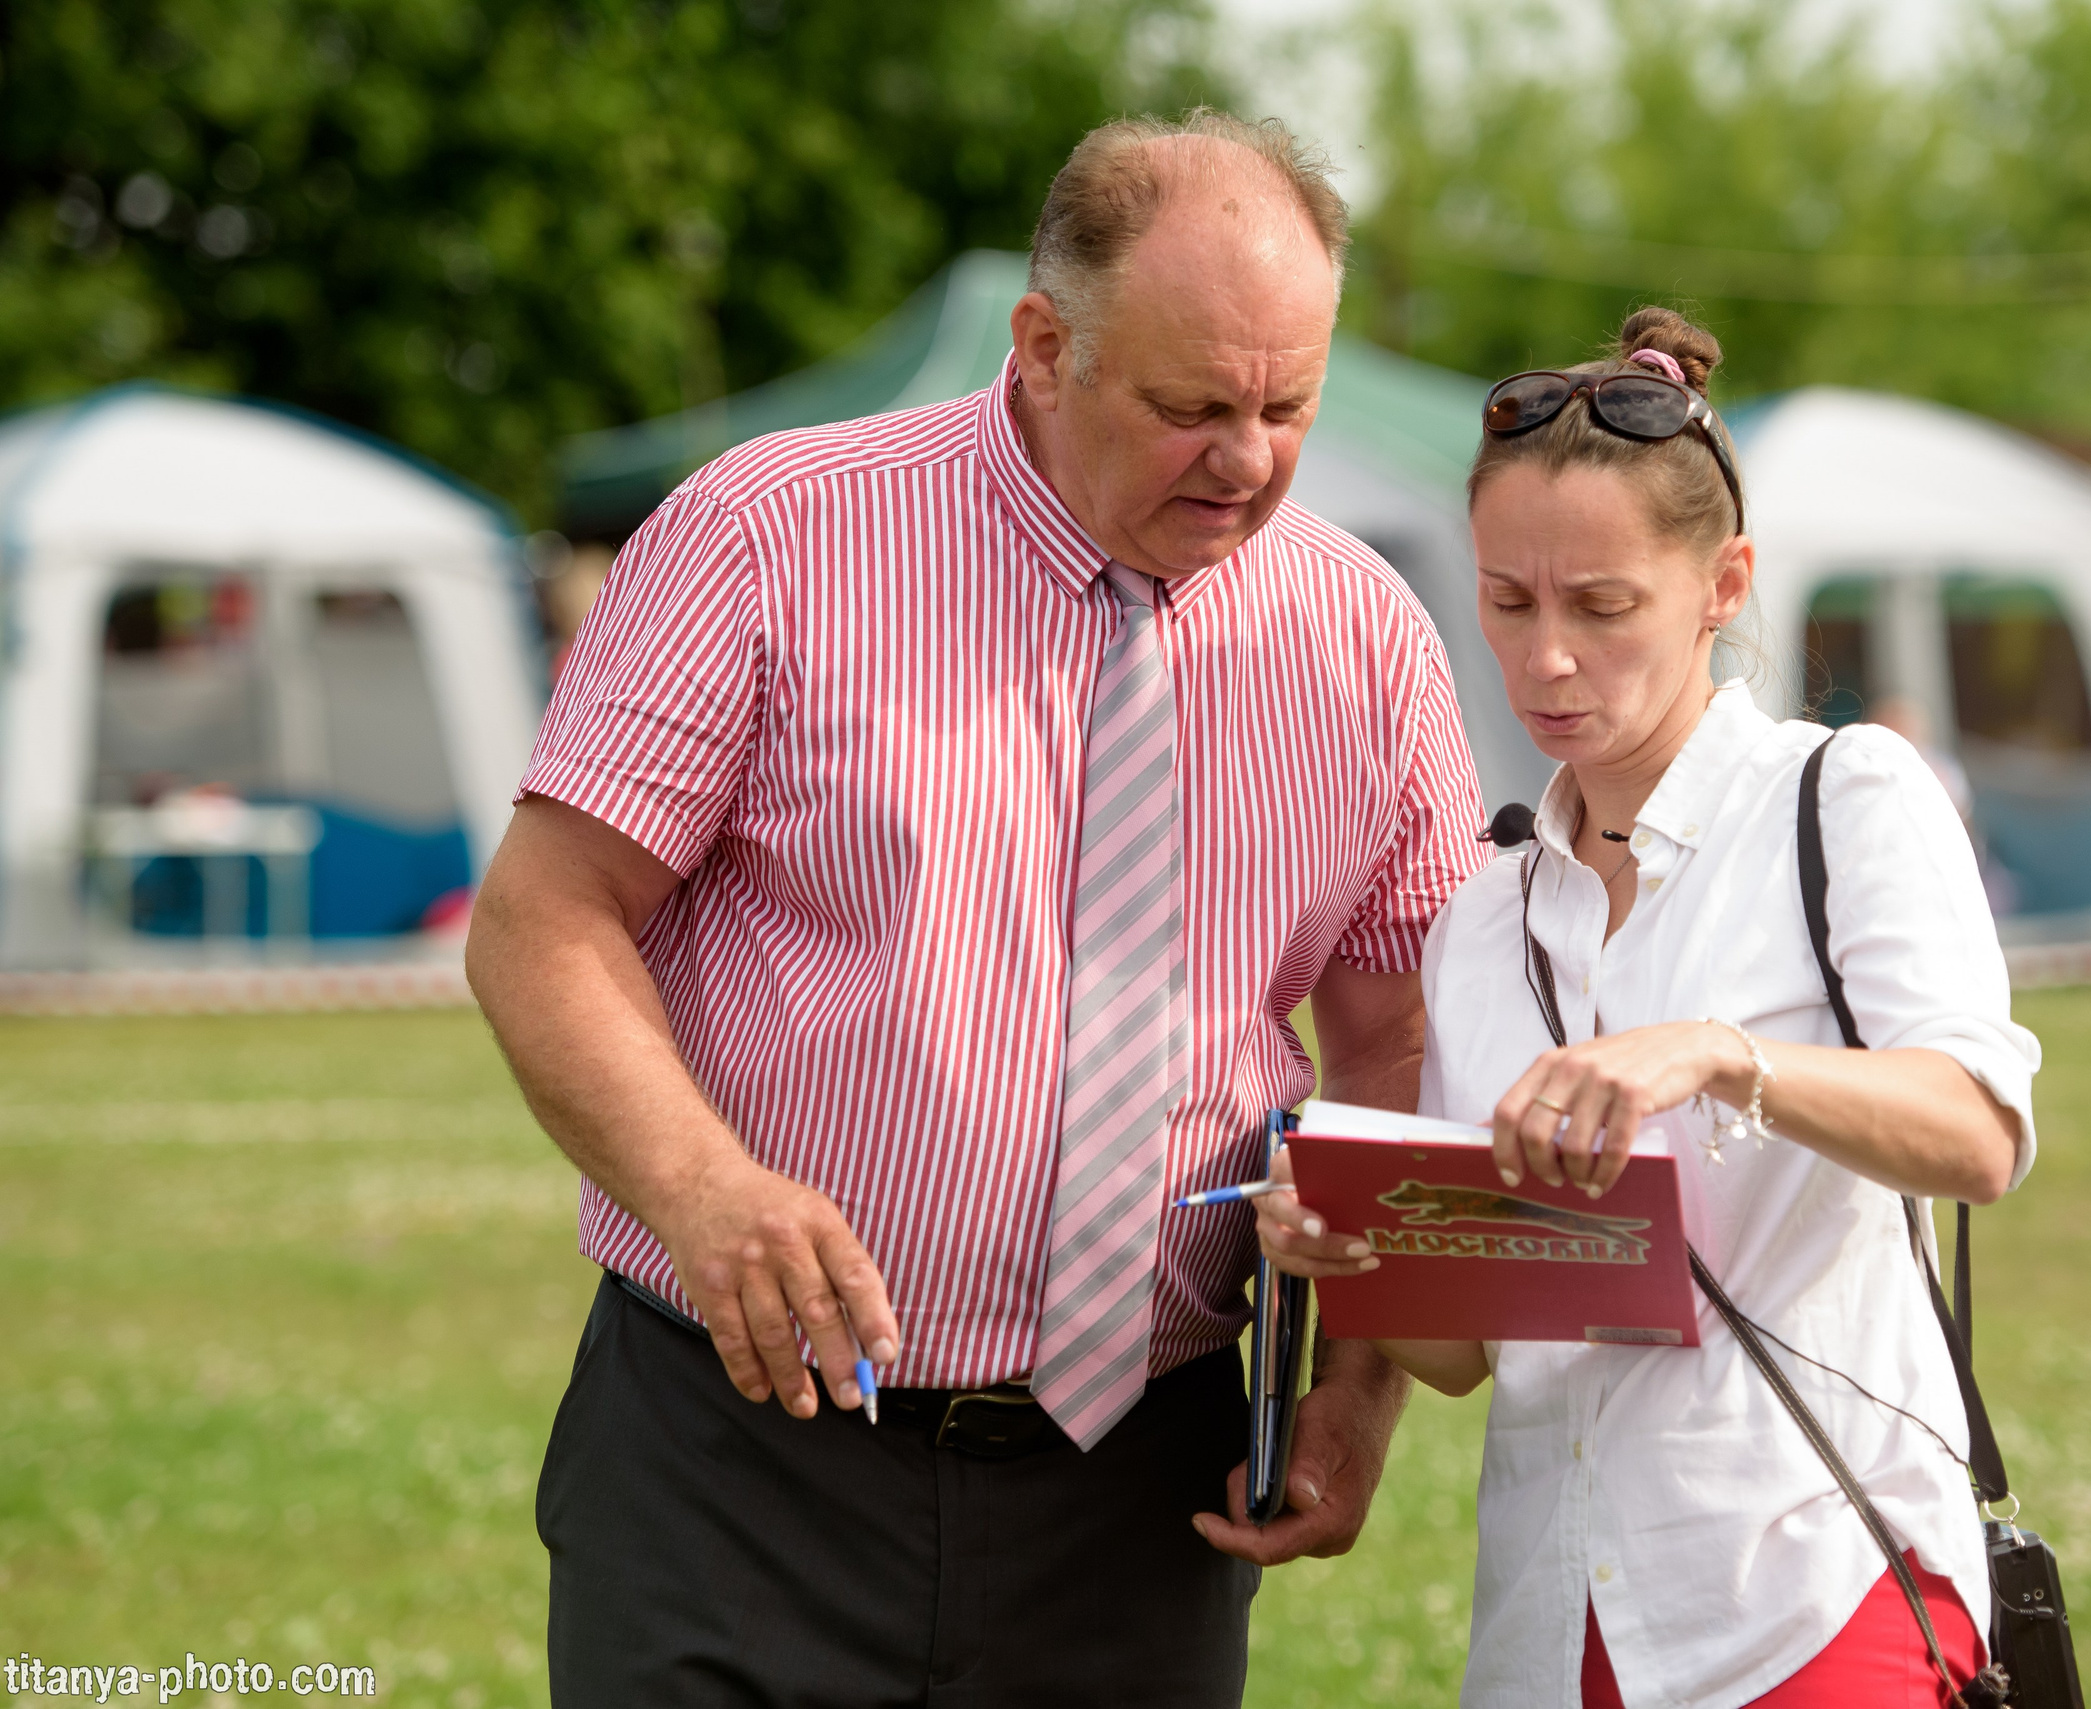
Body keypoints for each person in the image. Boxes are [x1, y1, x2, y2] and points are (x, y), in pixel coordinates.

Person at [465, 109, 1487, 1708]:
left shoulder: (1365, 635)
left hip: (1144, 1488)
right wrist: (707, 1193)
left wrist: (1351, 1391)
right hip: (743, 1460)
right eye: (1189, 405)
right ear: (1041, 344)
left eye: (1290, 403)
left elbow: (1399, 1041)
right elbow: (544, 916)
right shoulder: (768, 534)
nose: (1247, 458)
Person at [1259, 308, 2042, 1707]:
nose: (1547, 658)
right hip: (1555, 1630)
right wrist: (1350, 1247)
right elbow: (1469, 1352)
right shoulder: (1483, 918)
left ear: (1723, 583)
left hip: (1810, 1597)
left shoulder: (1843, 799)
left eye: (1602, 606)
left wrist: (1723, 1056)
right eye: (1509, 601)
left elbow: (1977, 1131)